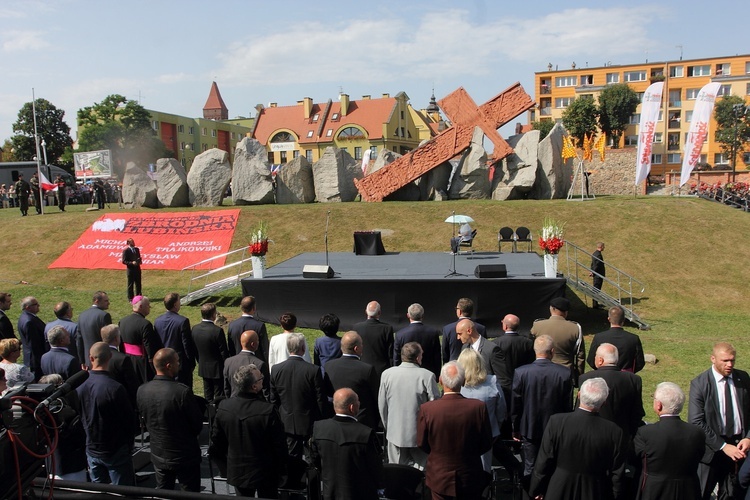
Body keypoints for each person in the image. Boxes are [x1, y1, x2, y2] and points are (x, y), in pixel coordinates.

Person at [530, 377, 625, 500]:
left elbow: (544, 460)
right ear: (604, 402)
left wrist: (536, 489)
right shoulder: (614, 431)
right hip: (594, 490)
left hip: (558, 488)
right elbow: (617, 472)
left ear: (579, 395)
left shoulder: (557, 422)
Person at [417, 361, 493, 500]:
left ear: (440, 381)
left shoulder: (428, 409)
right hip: (469, 474)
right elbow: (486, 442)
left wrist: (439, 454)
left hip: (439, 476)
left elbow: (422, 443)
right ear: (463, 381)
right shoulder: (478, 408)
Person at [210, 364, 288, 498]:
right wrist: (282, 471)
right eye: (260, 378)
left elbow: (217, 441)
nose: (263, 379)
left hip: (238, 470)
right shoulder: (267, 410)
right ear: (254, 387)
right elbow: (279, 445)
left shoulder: (224, 407)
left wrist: (226, 465)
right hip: (265, 471)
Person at [511, 334, 574, 493]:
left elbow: (516, 404)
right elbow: (568, 405)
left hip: (530, 427)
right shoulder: (564, 373)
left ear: (535, 351)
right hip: (556, 430)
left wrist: (515, 427)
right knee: (552, 465)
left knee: (530, 466)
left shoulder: (521, 372)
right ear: (552, 351)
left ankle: (531, 493)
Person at [689, 342, 750, 499]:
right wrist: (723, 446)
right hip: (712, 451)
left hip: (739, 449)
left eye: (732, 360)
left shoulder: (743, 378)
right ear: (713, 359)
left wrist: (748, 437)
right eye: (725, 361)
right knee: (702, 493)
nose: (730, 364)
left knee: (732, 494)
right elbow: (696, 422)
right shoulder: (700, 384)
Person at [137, 348, 203, 492]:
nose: (179, 365)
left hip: (158, 453)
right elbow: (196, 424)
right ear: (169, 366)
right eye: (177, 362)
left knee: (163, 491)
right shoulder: (182, 392)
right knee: (190, 492)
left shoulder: (142, 390)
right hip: (184, 455)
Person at [77, 342, 136, 486]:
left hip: (91, 447)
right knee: (123, 492)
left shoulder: (80, 386)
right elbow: (129, 420)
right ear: (110, 357)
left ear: (91, 358)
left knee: (98, 491)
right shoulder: (114, 388)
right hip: (115, 449)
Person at [634, 382, 705, 500]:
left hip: (655, 490)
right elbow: (700, 455)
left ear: (659, 405)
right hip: (688, 490)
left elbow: (636, 458)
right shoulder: (696, 432)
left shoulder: (646, 433)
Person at [311, 388, 383, 500]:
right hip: (360, 494)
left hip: (330, 492)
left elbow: (315, 460)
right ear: (352, 407)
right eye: (358, 401)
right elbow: (376, 468)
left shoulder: (319, 429)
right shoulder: (366, 433)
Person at [378, 341, 440, 470]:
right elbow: (435, 407)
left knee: (396, 471)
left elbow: (382, 405)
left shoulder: (387, 374)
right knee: (421, 473)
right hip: (421, 435)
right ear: (418, 357)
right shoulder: (427, 376)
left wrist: (388, 426)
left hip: (395, 432)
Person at [270, 332, 325, 459]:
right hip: (309, 422)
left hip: (287, 421)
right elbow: (320, 398)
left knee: (292, 459)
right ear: (304, 348)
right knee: (312, 458)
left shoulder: (276, 369)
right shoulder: (313, 370)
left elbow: (273, 399)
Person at [457, 348, 506, 472]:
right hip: (487, 433)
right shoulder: (492, 381)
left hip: (461, 434)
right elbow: (501, 410)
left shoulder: (456, 386)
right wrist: (496, 426)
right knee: (484, 469)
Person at [323, 331, 380, 428]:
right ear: (356, 348)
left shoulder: (329, 366)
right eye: (362, 344)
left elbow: (327, 392)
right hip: (362, 422)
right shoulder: (367, 369)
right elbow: (376, 395)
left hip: (336, 419)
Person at [530, 296, 585, 386]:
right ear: (566, 312)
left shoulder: (537, 325)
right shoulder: (575, 328)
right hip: (565, 372)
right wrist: (579, 376)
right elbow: (580, 355)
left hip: (540, 371)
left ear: (551, 309)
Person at [153, 292, 197, 388]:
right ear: (175, 304)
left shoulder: (157, 321)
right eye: (179, 301)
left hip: (163, 361)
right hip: (179, 363)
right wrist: (191, 363)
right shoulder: (182, 321)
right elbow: (187, 344)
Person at [494, 313, 534, 415]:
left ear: (505, 326)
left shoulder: (495, 343)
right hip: (523, 382)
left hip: (503, 383)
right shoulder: (528, 343)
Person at [587, 305, 646, 373]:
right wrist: (628, 371)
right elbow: (640, 363)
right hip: (625, 377)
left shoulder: (599, 337)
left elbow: (591, 360)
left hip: (604, 376)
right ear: (623, 320)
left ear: (609, 319)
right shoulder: (633, 339)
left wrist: (601, 370)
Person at [119, 296, 163, 385]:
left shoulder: (122, 321)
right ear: (141, 307)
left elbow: (120, 343)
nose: (149, 308)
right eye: (148, 305)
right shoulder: (145, 324)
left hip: (127, 359)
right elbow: (149, 346)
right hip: (142, 363)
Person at [192, 302, 229, 403]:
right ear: (213, 315)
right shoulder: (217, 331)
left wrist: (199, 360)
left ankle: (208, 415)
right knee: (219, 396)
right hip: (217, 369)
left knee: (207, 395)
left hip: (203, 367)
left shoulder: (195, 329)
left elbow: (194, 349)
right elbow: (223, 352)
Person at [394, 303, 442, 380]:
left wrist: (397, 374)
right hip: (427, 375)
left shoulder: (400, 334)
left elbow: (396, 358)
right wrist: (436, 375)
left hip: (406, 375)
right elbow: (437, 357)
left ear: (408, 315)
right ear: (422, 316)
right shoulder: (433, 333)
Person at [352, 300, 394, 380]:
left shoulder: (357, 327)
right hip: (381, 371)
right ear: (379, 313)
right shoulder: (387, 329)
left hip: (361, 369)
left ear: (366, 312)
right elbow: (390, 353)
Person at [101, 324, 139, 408]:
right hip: (122, 401)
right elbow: (132, 384)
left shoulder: (98, 355)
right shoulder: (123, 359)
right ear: (116, 338)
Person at [224, 330, 269, 399]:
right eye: (257, 340)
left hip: (234, 403)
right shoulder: (259, 364)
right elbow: (266, 390)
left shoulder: (228, 362)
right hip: (254, 405)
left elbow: (226, 388)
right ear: (253, 344)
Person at [442, 298, 487, 364]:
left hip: (454, 367)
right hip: (474, 365)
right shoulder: (481, 328)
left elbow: (445, 352)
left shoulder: (448, 329)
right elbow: (484, 349)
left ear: (459, 311)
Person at [227, 295, 269, 361]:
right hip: (256, 364)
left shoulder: (232, 325)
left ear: (241, 307)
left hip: (237, 363)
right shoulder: (259, 326)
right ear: (254, 308)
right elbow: (265, 348)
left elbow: (231, 348)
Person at [77, 291, 112, 367]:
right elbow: (108, 338)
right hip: (102, 360)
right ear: (97, 301)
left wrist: (82, 361)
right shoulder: (104, 316)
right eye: (106, 301)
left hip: (88, 360)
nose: (108, 303)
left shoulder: (82, 315)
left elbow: (79, 340)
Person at [44, 301, 82, 368]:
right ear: (68, 313)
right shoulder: (75, 327)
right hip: (71, 362)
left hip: (52, 362)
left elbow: (47, 344)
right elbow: (79, 346)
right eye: (71, 309)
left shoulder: (48, 326)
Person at [17, 296, 47, 381]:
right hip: (35, 360)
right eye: (36, 304)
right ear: (28, 307)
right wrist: (41, 360)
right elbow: (34, 344)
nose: (39, 305)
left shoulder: (25, 317)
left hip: (31, 358)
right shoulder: (29, 321)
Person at [590, 242, 605, 308]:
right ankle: (595, 305)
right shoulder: (598, 255)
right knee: (596, 289)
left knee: (596, 289)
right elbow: (596, 265)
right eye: (603, 247)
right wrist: (593, 272)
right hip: (598, 275)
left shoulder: (594, 253)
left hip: (596, 274)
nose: (604, 248)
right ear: (601, 247)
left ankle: (595, 303)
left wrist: (591, 271)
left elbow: (592, 264)